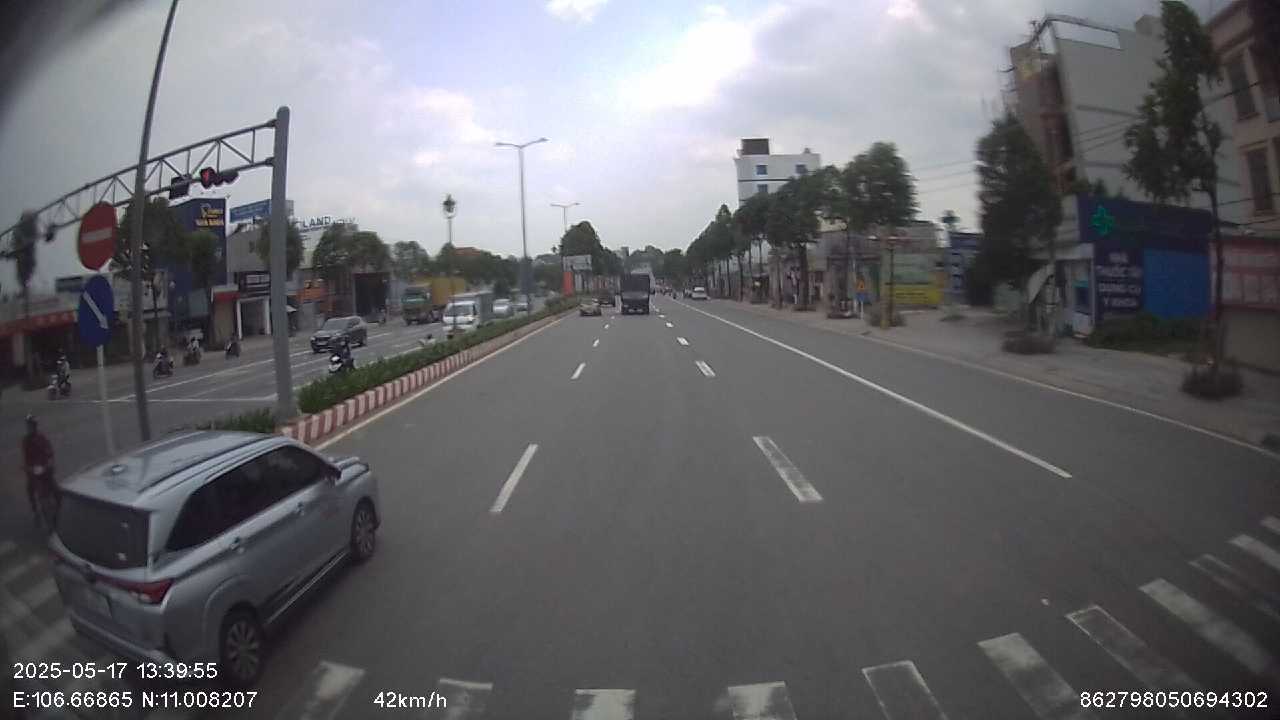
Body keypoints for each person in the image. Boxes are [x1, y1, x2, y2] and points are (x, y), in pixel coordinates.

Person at [22, 415, 56, 527]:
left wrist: (50, 463)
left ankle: (56, 503)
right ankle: (35, 511)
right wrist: (28, 468)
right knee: (30, 490)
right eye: (29, 426)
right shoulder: (26, 440)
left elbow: (50, 451)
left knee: (56, 489)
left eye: (32, 425)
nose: (30, 428)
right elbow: (26, 458)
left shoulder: (42, 438)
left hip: (44, 467)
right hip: (34, 470)